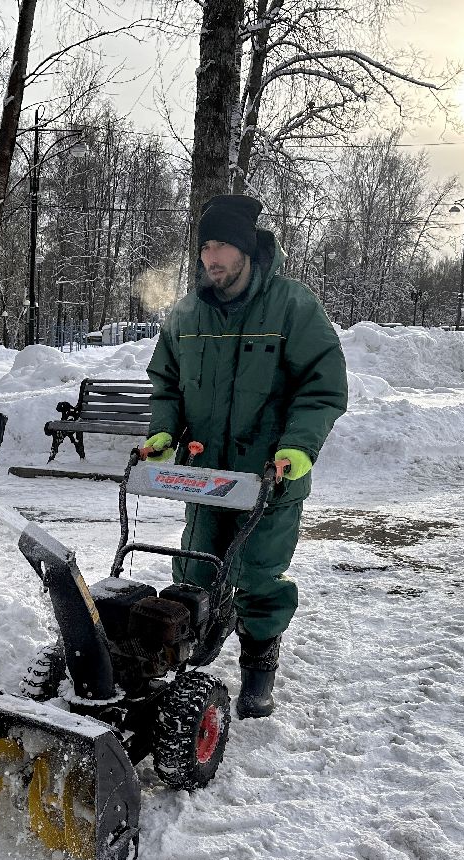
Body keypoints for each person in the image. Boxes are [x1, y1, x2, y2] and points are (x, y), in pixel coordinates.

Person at [143, 193, 348, 717]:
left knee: (258, 574)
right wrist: (165, 432)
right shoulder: (187, 313)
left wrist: (298, 447)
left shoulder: (292, 306)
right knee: (195, 565)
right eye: (205, 246)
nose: (210, 256)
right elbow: (165, 381)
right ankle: (203, 631)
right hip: (207, 475)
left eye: (222, 246)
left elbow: (322, 386)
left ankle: (259, 659)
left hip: (268, 476)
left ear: (248, 249)